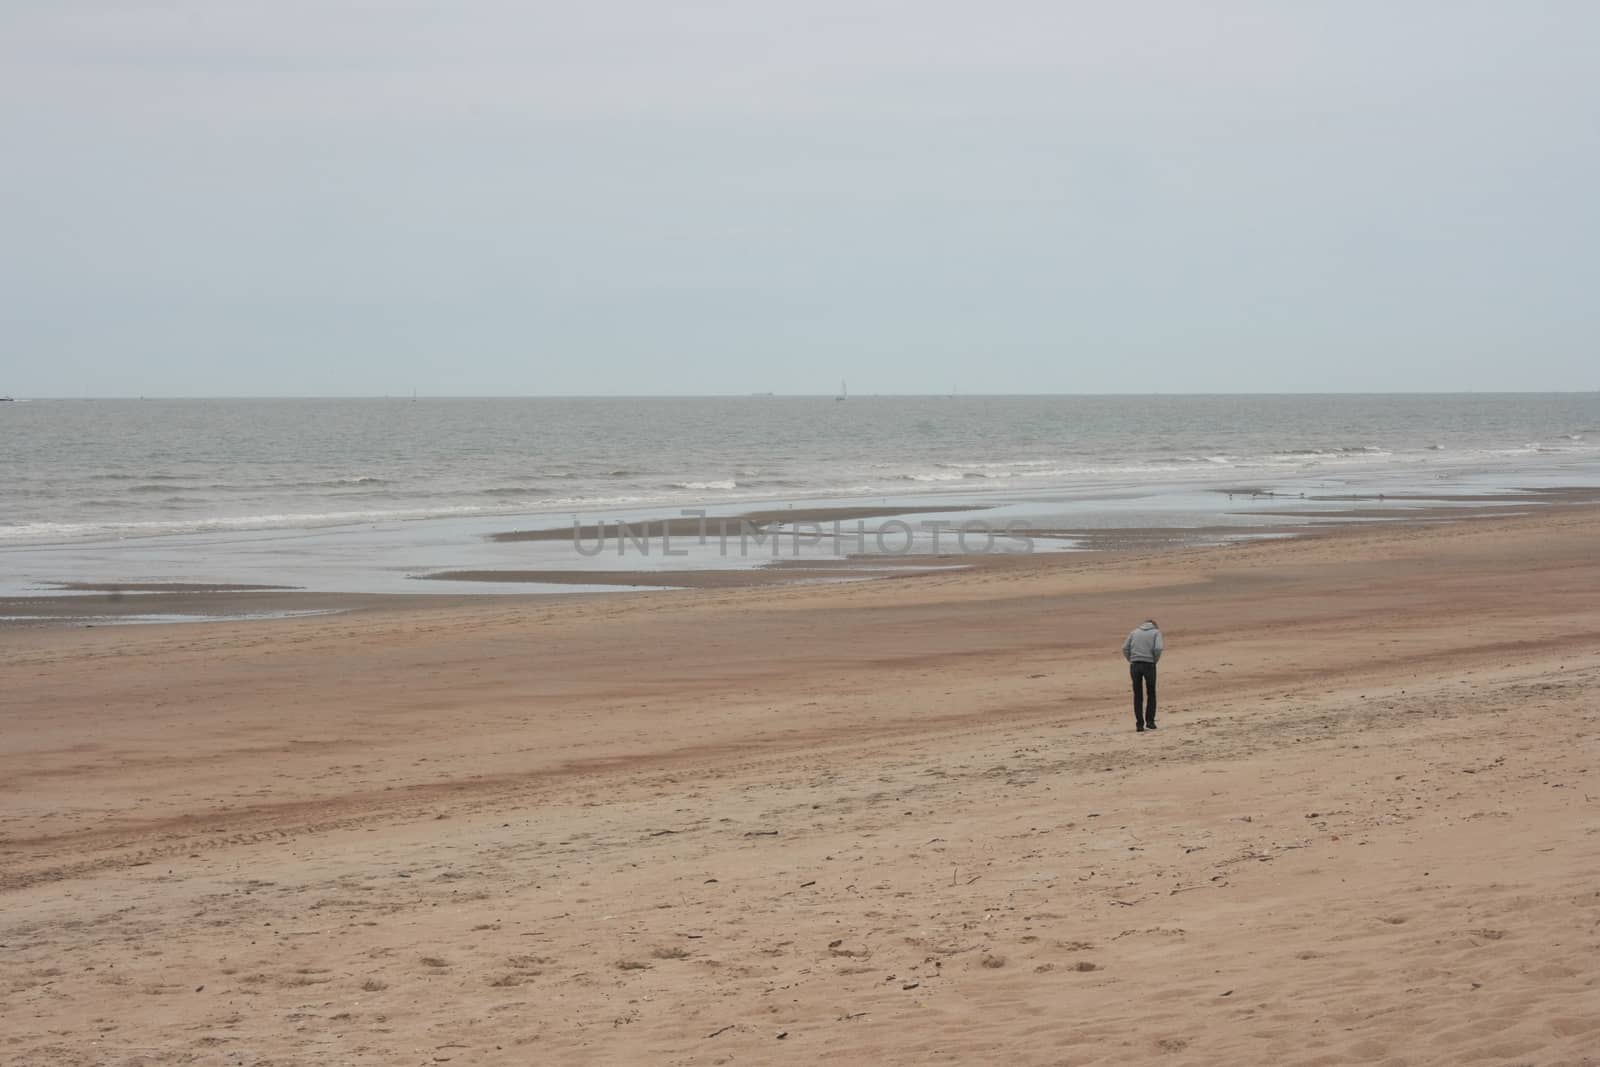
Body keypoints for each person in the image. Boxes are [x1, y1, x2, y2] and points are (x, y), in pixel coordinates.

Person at [1121, 619, 1164, 732]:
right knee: (1151, 693)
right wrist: (1154, 660)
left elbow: (1125, 647)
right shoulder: (1156, 632)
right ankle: (1150, 722)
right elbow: (1158, 648)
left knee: (1137, 695)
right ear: (1155, 625)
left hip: (1135, 665)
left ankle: (1139, 724)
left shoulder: (1134, 632)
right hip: (1149, 664)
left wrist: (1131, 659)